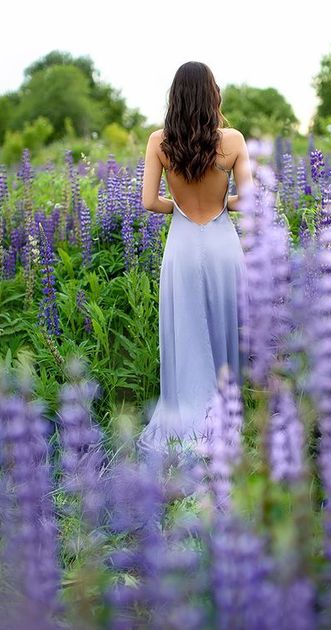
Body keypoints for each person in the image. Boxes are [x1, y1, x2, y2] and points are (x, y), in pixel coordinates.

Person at [136, 61, 254, 460]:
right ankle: (227, 419)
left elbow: (150, 202)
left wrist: (180, 208)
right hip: (222, 245)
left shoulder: (159, 142)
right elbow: (250, 201)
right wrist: (223, 201)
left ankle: (186, 417)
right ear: (212, 94)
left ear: (176, 97)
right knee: (225, 328)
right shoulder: (233, 141)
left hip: (182, 248)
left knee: (185, 331)